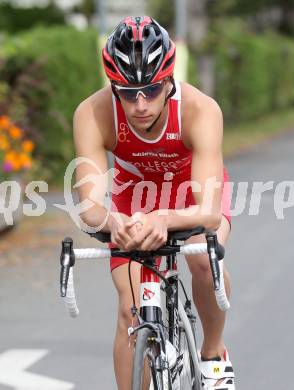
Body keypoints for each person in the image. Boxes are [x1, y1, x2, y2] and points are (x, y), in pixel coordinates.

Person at [73, 15, 235, 390]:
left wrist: (165, 217)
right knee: (131, 308)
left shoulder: (200, 109)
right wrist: (116, 224)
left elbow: (209, 211)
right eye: (127, 92)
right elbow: (91, 206)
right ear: (113, 87)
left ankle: (213, 355)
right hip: (133, 197)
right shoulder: (93, 114)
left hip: (190, 191)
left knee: (200, 256)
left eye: (151, 89)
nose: (140, 103)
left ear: (168, 80)